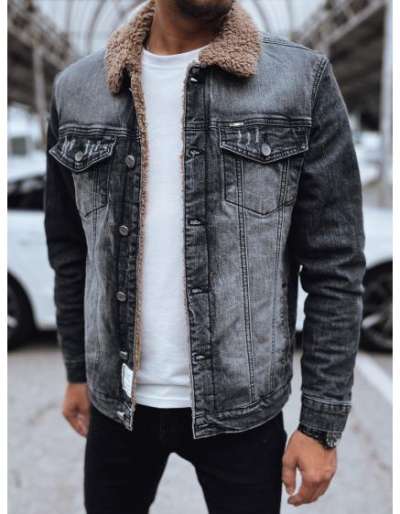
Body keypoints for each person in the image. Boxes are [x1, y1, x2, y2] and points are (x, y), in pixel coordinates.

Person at [44, 0, 366, 512]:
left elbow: (335, 264)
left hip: (244, 411)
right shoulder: (78, 89)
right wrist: (77, 371)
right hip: (116, 404)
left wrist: (320, 425)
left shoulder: (299, 81)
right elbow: (70, 250)